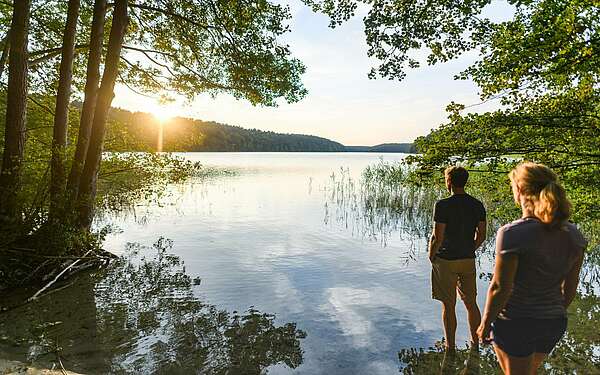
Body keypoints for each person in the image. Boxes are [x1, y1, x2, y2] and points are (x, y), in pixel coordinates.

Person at [477, 162, 587, 375]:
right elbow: (570, 289)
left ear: (520, 190)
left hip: (516, 321)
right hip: (554, 322)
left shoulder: (512, 233)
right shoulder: (575, 235)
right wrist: (548, 313)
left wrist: (485, 323)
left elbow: (500, 287)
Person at [429, 166, 487, 351]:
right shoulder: (477, 204)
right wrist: (470, 248)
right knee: (471, 303)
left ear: (449, 182)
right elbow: (482, 235)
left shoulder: (442, 205)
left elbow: (437, 236)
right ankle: (475, 344)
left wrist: (432, 255)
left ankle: (450, 346)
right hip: (467, 260)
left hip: (446, 260)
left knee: (449, 305)